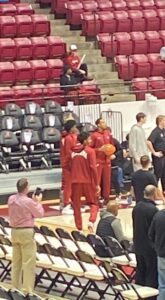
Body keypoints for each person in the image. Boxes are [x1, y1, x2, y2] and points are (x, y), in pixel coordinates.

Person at [8, 178, 44, 294]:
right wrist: (37, 202)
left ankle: (15, 287)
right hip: (26, 232)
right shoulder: (28, 202)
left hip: (14, 231)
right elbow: (40, 214)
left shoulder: (11, 199)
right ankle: (27, 290)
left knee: (16, 261)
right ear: (26, 188)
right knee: (28, 262)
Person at [70, 131, 100, 232]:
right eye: (89, 139)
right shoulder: (90, 151)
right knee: (94, 203)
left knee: (76, 206)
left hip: (74, 181)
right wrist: (96, 183)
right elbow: (93, 168)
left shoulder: (72, 151)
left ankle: (79, 229)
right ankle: (91, 221)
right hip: (87, 181)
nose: (91, 140)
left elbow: (67, 165)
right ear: (85, 141)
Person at [132, 185, 158, 296]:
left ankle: (138, 295)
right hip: (149, 246)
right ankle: (149, 297)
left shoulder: (136, 207)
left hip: (137, 244)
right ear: (154, 194)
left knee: (140, 271)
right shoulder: (153, 210)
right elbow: (154, 230)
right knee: (151, 273)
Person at [91, 118, 114, 203]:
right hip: (98, 161)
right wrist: (99, 149)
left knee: (107, 180)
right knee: (97, 181)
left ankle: (106, 198)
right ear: (98, 125)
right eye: (103, 122)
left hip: (107, 161)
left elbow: (112, 145)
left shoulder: (108, 134)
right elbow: (90, 148)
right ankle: (96, 198)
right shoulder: (94, 135)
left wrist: (111, 153)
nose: (105, 123)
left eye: (105, 122)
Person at [60, 119, 78, 213]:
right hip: (68, 165)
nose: (76, 128)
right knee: (68, 185)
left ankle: (71, 203)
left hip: (72, 164)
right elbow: (68, 152)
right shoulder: (68, 138)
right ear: (71, 128)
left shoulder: (73, 137)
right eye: (74, 126)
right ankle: (66, 205)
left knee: (72, 185)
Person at [149, 207, 165, 300]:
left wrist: (156, 247)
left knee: (162, 285)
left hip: (161, 254)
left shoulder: (158, 215)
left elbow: (151, 234)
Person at [147, 115, 165, 192]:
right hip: (159, 156)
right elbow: (148, 142)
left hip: (164, 155)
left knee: (164, 175)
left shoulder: (163, 130)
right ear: (160, 121)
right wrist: (154, 152)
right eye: (164, 120)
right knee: (157, 174)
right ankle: (153, 192)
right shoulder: (156, 131)